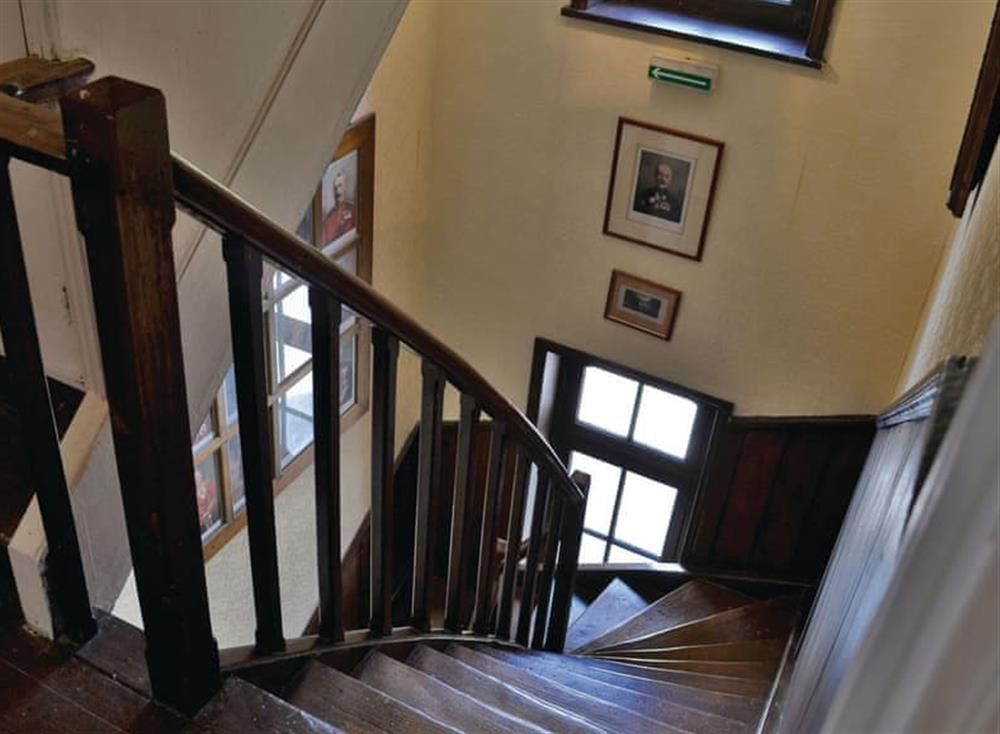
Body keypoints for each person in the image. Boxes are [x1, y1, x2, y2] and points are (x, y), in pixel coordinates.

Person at [322, 169, 356, 243]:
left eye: (340, 186)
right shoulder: (328, 220)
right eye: (335, 188)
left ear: (345, 187)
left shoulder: (354, 210)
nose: (337, 191)